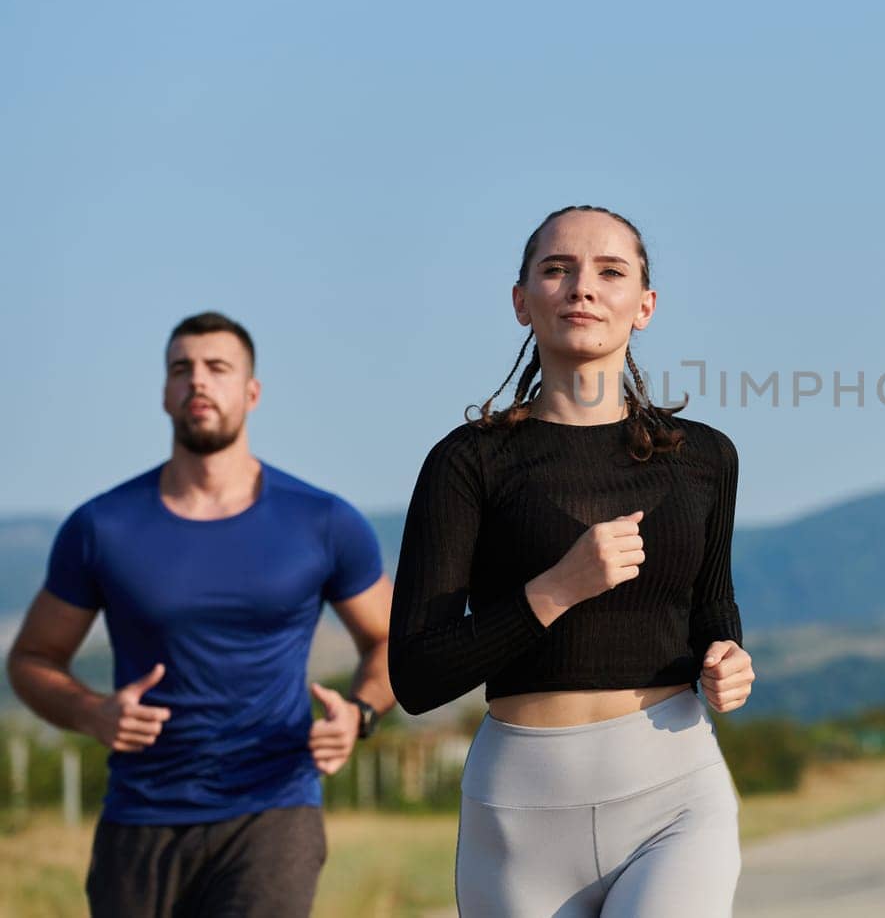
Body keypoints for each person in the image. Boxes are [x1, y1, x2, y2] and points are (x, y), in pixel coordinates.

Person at [388, 205, 754, 918]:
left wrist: (729, 659)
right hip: (519, 813)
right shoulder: (468, 463)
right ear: (522, 301)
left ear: (643, 305)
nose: (582, 287)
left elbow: (713, 609)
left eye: (610, 271)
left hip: (675, 796)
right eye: (556, 269)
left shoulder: (705, 457)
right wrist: (556, 589)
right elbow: (417, 672)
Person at [5, 311, 395, 918]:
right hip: (141, 816)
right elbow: (31, 658)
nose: (198, 382)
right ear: (164, 392)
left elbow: (392, 641)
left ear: (252, 391)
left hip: (273, 808)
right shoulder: (102, 526)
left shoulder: (322, 521)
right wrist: (92, 712)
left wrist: (360, 714)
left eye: (218, 368)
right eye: (181, 369)